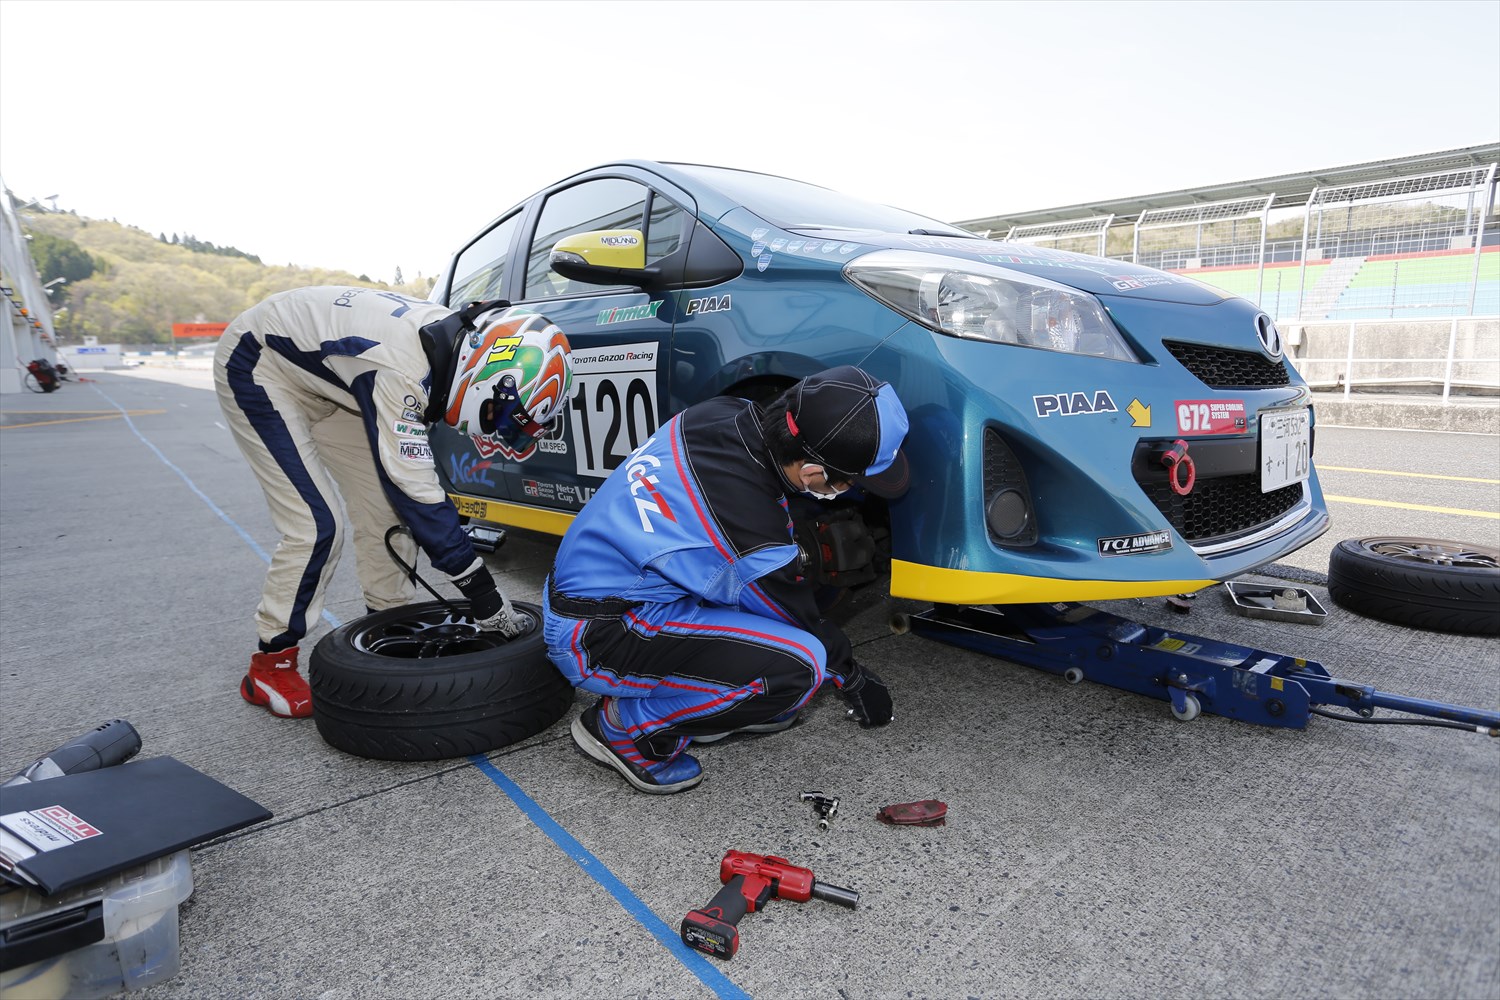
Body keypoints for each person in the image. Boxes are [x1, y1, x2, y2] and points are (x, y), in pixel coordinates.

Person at [543, 365, 909, 794]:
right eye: (851, 482)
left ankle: (718, 693)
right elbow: (800, 620)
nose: (852, 491)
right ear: (813, 474)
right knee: (799, 667)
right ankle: (626, 729)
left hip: (601, 588)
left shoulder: (722, 412)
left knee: (768, 637)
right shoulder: (747, 526)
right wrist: (852, 676)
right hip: (597, 636)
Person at [215, 286, 574, 719]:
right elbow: (418, 494)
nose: (494, 426)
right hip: (261, 364)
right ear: (491, 377)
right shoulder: (403, 371)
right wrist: (485, 596)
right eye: (499, 413)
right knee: (316, 526)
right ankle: (270, 663)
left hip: (333, 376)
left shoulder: (452, 350)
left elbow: (406, 497)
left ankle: (388, 620)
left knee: (386, 512)